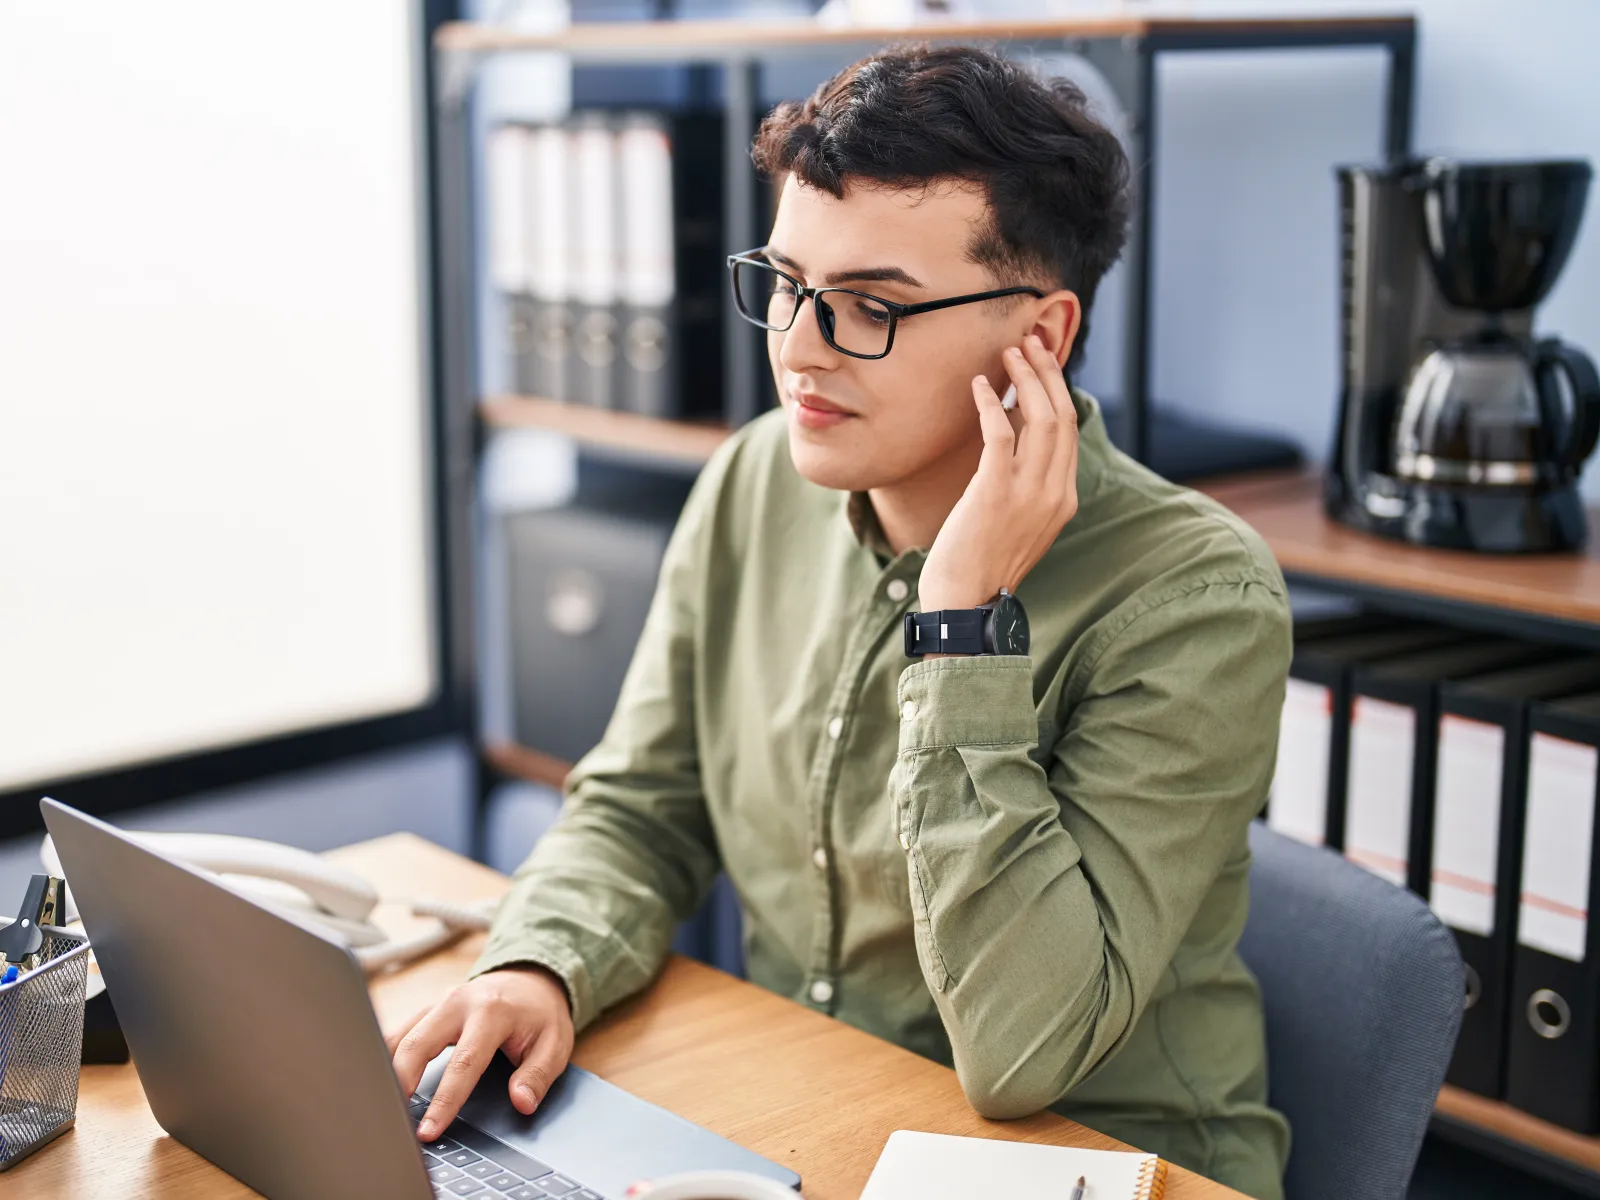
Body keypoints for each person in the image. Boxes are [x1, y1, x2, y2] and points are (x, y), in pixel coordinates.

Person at [388, 42, 1292, 1200]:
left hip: (1106, 1164)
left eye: (870, 306)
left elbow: (1024, 1058)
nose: (798, 346)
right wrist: (540, 966)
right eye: (785, 282)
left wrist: (962, 620)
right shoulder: (756, 478)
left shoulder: (1196, 597)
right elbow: (640, 805)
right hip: (821, 1124)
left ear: (1044, 340)